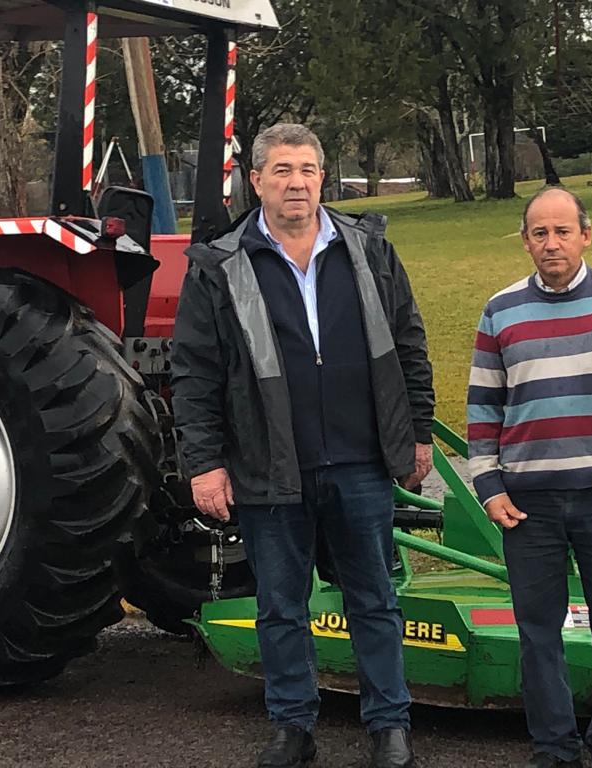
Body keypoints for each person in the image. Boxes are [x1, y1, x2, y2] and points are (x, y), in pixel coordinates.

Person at [171, 123, 434, 768]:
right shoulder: (220, 264)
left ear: (323, 177)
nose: (296, 182)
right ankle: (293, 728)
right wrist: (204, 463)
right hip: (266, 466)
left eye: (308, 169)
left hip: (360, 461)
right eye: (282, 170)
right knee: (280, 608)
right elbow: (195, 372)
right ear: (255, 180)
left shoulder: (368, 250)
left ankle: (389, 728)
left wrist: (418, 430)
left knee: (375, 600)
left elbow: (409, 345)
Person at [467, 187, 592, 768]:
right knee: (538, 631)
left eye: (562, 231)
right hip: (526, 503)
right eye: (539, 233)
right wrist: (489, 485)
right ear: (526, 240)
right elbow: (483, 405)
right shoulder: (500, 310)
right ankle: (554, 746)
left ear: (586, 235)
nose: (551, 243)